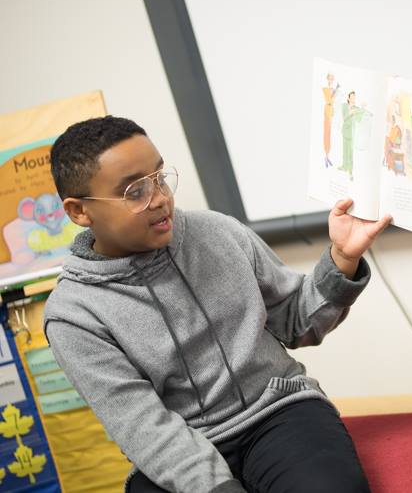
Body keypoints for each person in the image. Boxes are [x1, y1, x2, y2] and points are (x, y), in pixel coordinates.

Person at [43, 116, 391, 493]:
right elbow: (141, 423)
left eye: (159, 177)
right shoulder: (72, 316)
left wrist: (342, 257)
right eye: (134, 191)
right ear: (79, 211)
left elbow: (296, 321)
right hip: (177, 443)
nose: (160, 198)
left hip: (277, 412)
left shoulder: (218, 231)